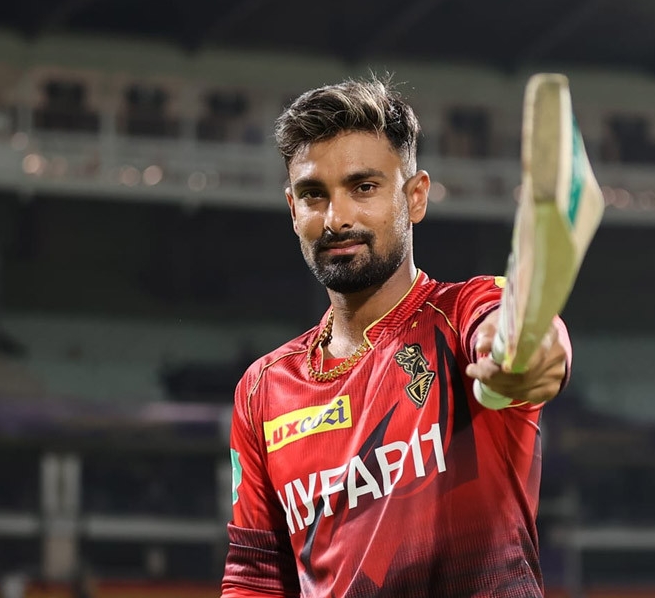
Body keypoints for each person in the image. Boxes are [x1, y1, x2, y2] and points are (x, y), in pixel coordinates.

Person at [221, 76, 571, 598]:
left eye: (364, 188)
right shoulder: (263, 389)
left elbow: (516, 327)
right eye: (315, 195)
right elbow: (256, 574)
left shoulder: (461, 314)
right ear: (293, 210)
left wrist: (523, 356)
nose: (337, 219)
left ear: (415, 196)